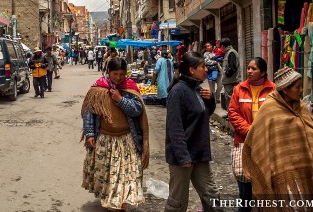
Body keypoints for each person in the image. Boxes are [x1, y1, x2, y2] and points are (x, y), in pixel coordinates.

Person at [242, 67, 313, 209]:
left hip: (308, 175)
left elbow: (312, 133)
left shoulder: (301, 107)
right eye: (297, 87)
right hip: (284, 178)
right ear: (285, 90)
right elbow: (255, 140)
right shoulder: (269, 110)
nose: (301, 90)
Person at [81, 57, 149, 211]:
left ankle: (120, 201)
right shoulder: (98, 89)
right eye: (115, 74)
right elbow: (89, 113)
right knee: (108, 174)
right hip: (105, 139)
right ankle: (112, 201)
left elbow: (138, 111)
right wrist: (90, 133)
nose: (118, 78)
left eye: (122, 74)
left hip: (126, 140)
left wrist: (120, 100)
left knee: (126, 175)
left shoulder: (130, 88)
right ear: (108, 72)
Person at [165, 52, 223, 212]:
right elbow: (174, 128)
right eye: (203, 66)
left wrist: (210, 99)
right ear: (192, 70)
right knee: (177, 202)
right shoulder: (178, 92)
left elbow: (204, 114)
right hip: (182, 157)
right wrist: (183, 157)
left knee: (212, 195)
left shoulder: (197, 89)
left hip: (199, 154)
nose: (206, 69)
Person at [227, 57, 275, 212]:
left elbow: (276, 114)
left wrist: (260, 132)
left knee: (265, 182)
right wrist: (249, 131)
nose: (249, 71)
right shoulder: (239, 89)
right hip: (243, 141)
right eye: (248, 68)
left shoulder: (273, 90)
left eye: (253, 69)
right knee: (244, 182)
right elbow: (233, 113)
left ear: (262, 72)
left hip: (266, 142)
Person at [220, 38, 240, 116]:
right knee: (230, 98)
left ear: (222, 46)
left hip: (231, 81)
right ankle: (230, 114)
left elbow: (233, 68)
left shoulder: (231, 53)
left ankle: (232, 115)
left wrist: (226, 74)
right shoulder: (229, 52)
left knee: (230, 98)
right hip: (229, 81)